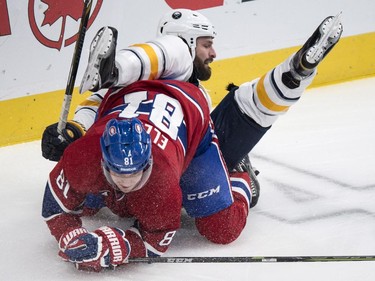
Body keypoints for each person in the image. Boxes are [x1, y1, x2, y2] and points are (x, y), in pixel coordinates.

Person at [41, 9, 343, 208]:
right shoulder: (174, 57)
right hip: (148, 169)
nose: (213, 52)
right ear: (186, 40)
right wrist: (73, 130)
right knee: (248, 105)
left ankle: (294, 74)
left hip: (161, 173)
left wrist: (76, 128)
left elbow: (97, 102)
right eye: (206, 44)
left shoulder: (191, 89)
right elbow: (167, 53)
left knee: (245, 103)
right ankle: (292, 76)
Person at [42, 79, 253, 272]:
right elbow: (55, 207)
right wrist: (70, 236)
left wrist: (121, 246)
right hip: (129, 94)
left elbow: (154, 240)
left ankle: (237, 172)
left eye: (134, 173)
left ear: (149, 163)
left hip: (192, 119)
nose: (126, 182)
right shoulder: (83, 156)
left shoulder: (163, 182)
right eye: (118, 172)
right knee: (87, 204)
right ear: (103, 161)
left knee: (223, 228)